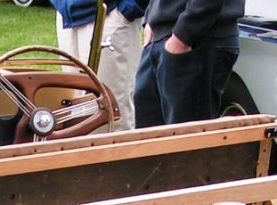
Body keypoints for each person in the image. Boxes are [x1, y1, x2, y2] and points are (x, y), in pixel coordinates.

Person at [133, 0, 243, 127]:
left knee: (188, 136)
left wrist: (183, 35)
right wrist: (150, 18)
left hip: (198, 39)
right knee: (148, 134)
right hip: (161, 36)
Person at [51, 0, 144, 130]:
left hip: (109, 14)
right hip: (67, 15)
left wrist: (128, 9)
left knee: (111, 113)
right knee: (73, 115)